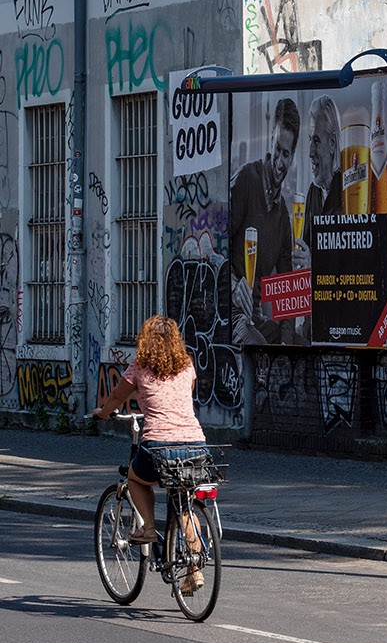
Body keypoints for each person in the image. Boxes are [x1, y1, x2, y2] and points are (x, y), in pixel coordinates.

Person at [93, 315, 208, 595]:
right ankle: (194, 569)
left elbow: (118, 397)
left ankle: (147, 528)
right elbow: (183, 398)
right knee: (184, 505)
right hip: (196, 444)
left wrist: (103, 413)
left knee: (136, 478)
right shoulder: (187, 366)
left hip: (158, 443)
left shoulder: (139, 367)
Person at [230, 97, 301, 343]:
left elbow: (289, 289)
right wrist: (232, 285)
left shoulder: (283, 216)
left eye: (286, 154)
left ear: (292, 157)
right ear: (271, 138)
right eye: (277, 150)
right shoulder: (246, 180)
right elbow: (216, 248)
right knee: (257, 344)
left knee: (303, 348)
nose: (280, 162)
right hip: (230, 315)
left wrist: (287, 340)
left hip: (256, 319)